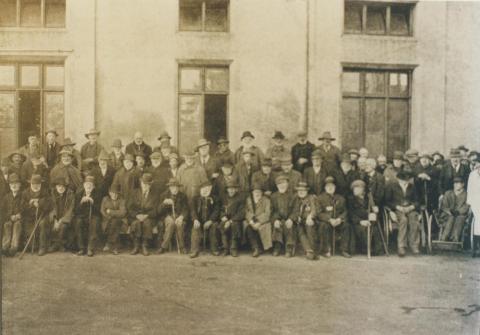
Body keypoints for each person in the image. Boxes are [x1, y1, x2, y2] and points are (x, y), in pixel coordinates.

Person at [385, 171, 420, 257]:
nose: (405, 182)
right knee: (403, 220)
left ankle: (414, 245)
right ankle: (401, 246)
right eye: (403, 180)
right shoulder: (392, 187)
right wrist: (396, 207)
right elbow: (387, 201)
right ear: (398, 180)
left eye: (407, 181)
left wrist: (411, 207)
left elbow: (417, 201)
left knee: (413, 220)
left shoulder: (413, 187)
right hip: (398, 209)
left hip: (410, 209)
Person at [317, 176, 351, 258]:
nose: (330, 188)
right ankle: (326, 250)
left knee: (346, 225)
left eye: (332, 186)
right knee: (324, 226)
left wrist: (340, 219)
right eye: (328, 186)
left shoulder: (341, 198)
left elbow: (345, 211)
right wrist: (329, 219)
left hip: (338, 221)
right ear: (325, 187)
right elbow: (319, 213)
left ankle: (344, 249)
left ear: (335, 187)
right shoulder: (320, 198)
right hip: (327, 221)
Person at [21, 174, 52, 256]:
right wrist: (30, 203)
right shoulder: (25, 193)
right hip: (29, 217)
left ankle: (42, 247)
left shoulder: (45, 192)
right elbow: (22, 207)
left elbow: (49, 205)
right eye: (33, 184)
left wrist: (40, 203)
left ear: (40, 184)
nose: (35, 186)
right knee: (31, 241)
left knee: (43, 224)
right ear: (30, 183)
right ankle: (33, 246)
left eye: (37, 184)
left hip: (42, 216)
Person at [156, 178, 189, 254]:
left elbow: (186, 209)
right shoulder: (164, 195)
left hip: (179, 216)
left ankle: (182, 246)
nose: (174, 189)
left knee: (179, 224)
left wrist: (181, 217)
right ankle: (163, 247)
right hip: (168, 216)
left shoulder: (183, 196)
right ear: (169, 187)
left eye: (176, 187)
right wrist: (164, 203)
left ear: (178, 187)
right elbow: (158, 211)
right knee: (171, 223)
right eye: (172, 187)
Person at [348, 179, 379, 256]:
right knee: (362, 230)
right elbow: (350, 214)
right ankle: (364, 249)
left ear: (362, 190)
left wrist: (374, 211)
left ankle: (376, 249)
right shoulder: (350, 200)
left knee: (374, 229)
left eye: (357, 188)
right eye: (354, 189)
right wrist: (360, 221)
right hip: (356, 222)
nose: (354, 190)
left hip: (368, 221)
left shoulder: (368, 199)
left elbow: (373, 210)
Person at [128, 173, 157, 256]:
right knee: (136, 223)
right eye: (144, 184)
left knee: (147, 223)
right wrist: (137, 215)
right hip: (136, 216)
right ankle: (136, 246)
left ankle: (144, 246)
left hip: (149, 217)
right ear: (141, 183)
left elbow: (155, 210)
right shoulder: (134, 192)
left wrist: (146, 215)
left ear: (150, 185)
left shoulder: (154, 195)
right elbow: (130, 208)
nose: (145, 186)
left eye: (148, 184)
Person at [189, 181, 221, 258]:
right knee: (195, 227)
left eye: (208, 189)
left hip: (210, 221)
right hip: (199, 220)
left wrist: (210, 220)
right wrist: (195, 219)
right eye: (204, 189)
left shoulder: (215, 199)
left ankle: (214, 249)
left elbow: (216, 211)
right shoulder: (195, 198)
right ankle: (194, 250)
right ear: (200, 189)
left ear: (210, 190)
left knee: (214, 226)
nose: (206, 191)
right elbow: (192, 210)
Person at [73, 175, 102, 256]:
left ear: (93, 186)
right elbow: (75, 210)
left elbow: (99, 210)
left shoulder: (98, 194)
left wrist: (93, 202)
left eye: (90, 184)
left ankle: (90, 248)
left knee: (94, 223)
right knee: (78, 223)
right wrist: (81, 202)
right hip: (81, 216)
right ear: (84, 185)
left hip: (94, 215)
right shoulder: (79, 194)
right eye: (87, 184)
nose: (88, 186)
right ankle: (81, 248)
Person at [290, 181, 316, 260]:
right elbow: (292, 210)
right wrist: (296, 217)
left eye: (303, 190)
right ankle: (309, 250)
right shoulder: (295, 198)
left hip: (310, 220)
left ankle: (312, 250)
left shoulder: (311, 198)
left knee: (309, 226)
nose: (301, 192)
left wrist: (310, 216)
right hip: (299, 221)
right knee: (299, 229)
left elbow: (314, 210)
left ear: (307, 191)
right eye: (299, 190)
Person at [244, 183, 272, 257]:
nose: (257, 193)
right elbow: (246, 211)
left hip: (262, 222)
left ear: (262, 193)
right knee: (248, 228)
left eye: (259, 192)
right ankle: (255, 248)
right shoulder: (248, 200)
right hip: (251, 221)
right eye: (255, 192)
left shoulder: (266, 200)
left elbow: (267, 213)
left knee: (263, 228)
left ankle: (263, 247)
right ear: (252, 192)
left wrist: (259, 221)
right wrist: (251, 221)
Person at [219, 180, 245, 257]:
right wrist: (222, 216)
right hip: (226, 219)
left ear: (236, 189)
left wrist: (231, 221)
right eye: (229, 189)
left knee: (235, 226)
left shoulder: (240, 198)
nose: (231, 190)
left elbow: (241, 213)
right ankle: (225, 248)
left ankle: (233, 248)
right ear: (227, 189)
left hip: (236, 219)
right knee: (222, 225)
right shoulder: (224, 198)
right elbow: (221, 209)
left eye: (233, 189)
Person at [271, 175, 295, 257]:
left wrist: (291, 219)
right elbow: (272, 210)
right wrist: (275, 219)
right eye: (279, 184)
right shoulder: (273, 196)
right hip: (279, 218)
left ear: (287, 184)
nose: (282, 185)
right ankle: (277, 246)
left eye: (284, 183)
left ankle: (289, 248)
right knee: (277, 225)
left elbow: (296, 209)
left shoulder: (293, 195)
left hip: (289, 218)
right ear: (277, 185)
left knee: (289, 225)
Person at [438, 177, 469, 242]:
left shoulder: (466, 195)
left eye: (458, 183)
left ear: (463, 184)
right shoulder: (448, 193)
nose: (455, 185)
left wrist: (458, 212)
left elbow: (467, 206)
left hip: (460, 215)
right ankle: (444, 238)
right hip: (447, 215)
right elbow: (444, 206)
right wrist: (450, 211)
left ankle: (455, 239)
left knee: (459, 219)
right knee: (451, 217)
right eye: (454, 183)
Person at [49, 176, 75, 253]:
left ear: (65, 187)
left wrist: (61, 220)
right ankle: (54, 244)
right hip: (54, 218)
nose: (61, 188)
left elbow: (71, 209)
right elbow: (51, 208)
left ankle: (59, 244)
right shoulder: (52, 194)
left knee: (63, 226)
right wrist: (54, 220)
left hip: (65, 218)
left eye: (62, 186)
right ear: (56, 187)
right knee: (51, 225)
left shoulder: (70, 195)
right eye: (59, 186)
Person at [100, 184, 127, 255]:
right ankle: (115, 246)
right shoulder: (105, 199)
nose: (114, 195)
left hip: (120, 221)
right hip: (107, 220)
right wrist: (109, 216)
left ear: (118, 194)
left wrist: (111, 212)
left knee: (115, 222)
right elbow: (102, 211)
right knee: (114, 223)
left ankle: (109, 243)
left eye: (116, 194)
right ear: (109, 193)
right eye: (112, 193)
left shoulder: (122, 200)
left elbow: (123, 212)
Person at [1, 174, 23, 256]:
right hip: (9, 219)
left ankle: (13, 248)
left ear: (19, 185)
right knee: (7, 224)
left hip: (20, 219)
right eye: (12, 184)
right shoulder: (6, 197)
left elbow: (25, 209)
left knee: (17, 225)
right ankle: (5, 247)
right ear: (9, 185)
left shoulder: (22, 196)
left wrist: (19, 215)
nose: (14, 185)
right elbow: (2, 211)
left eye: (16, 183)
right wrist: (10, 217)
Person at [467, 158, 480, 257]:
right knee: (477, 220)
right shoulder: (472, 175)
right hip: (476, 202)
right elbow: (469, 190)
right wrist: (470, 204)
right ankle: (476, 246)